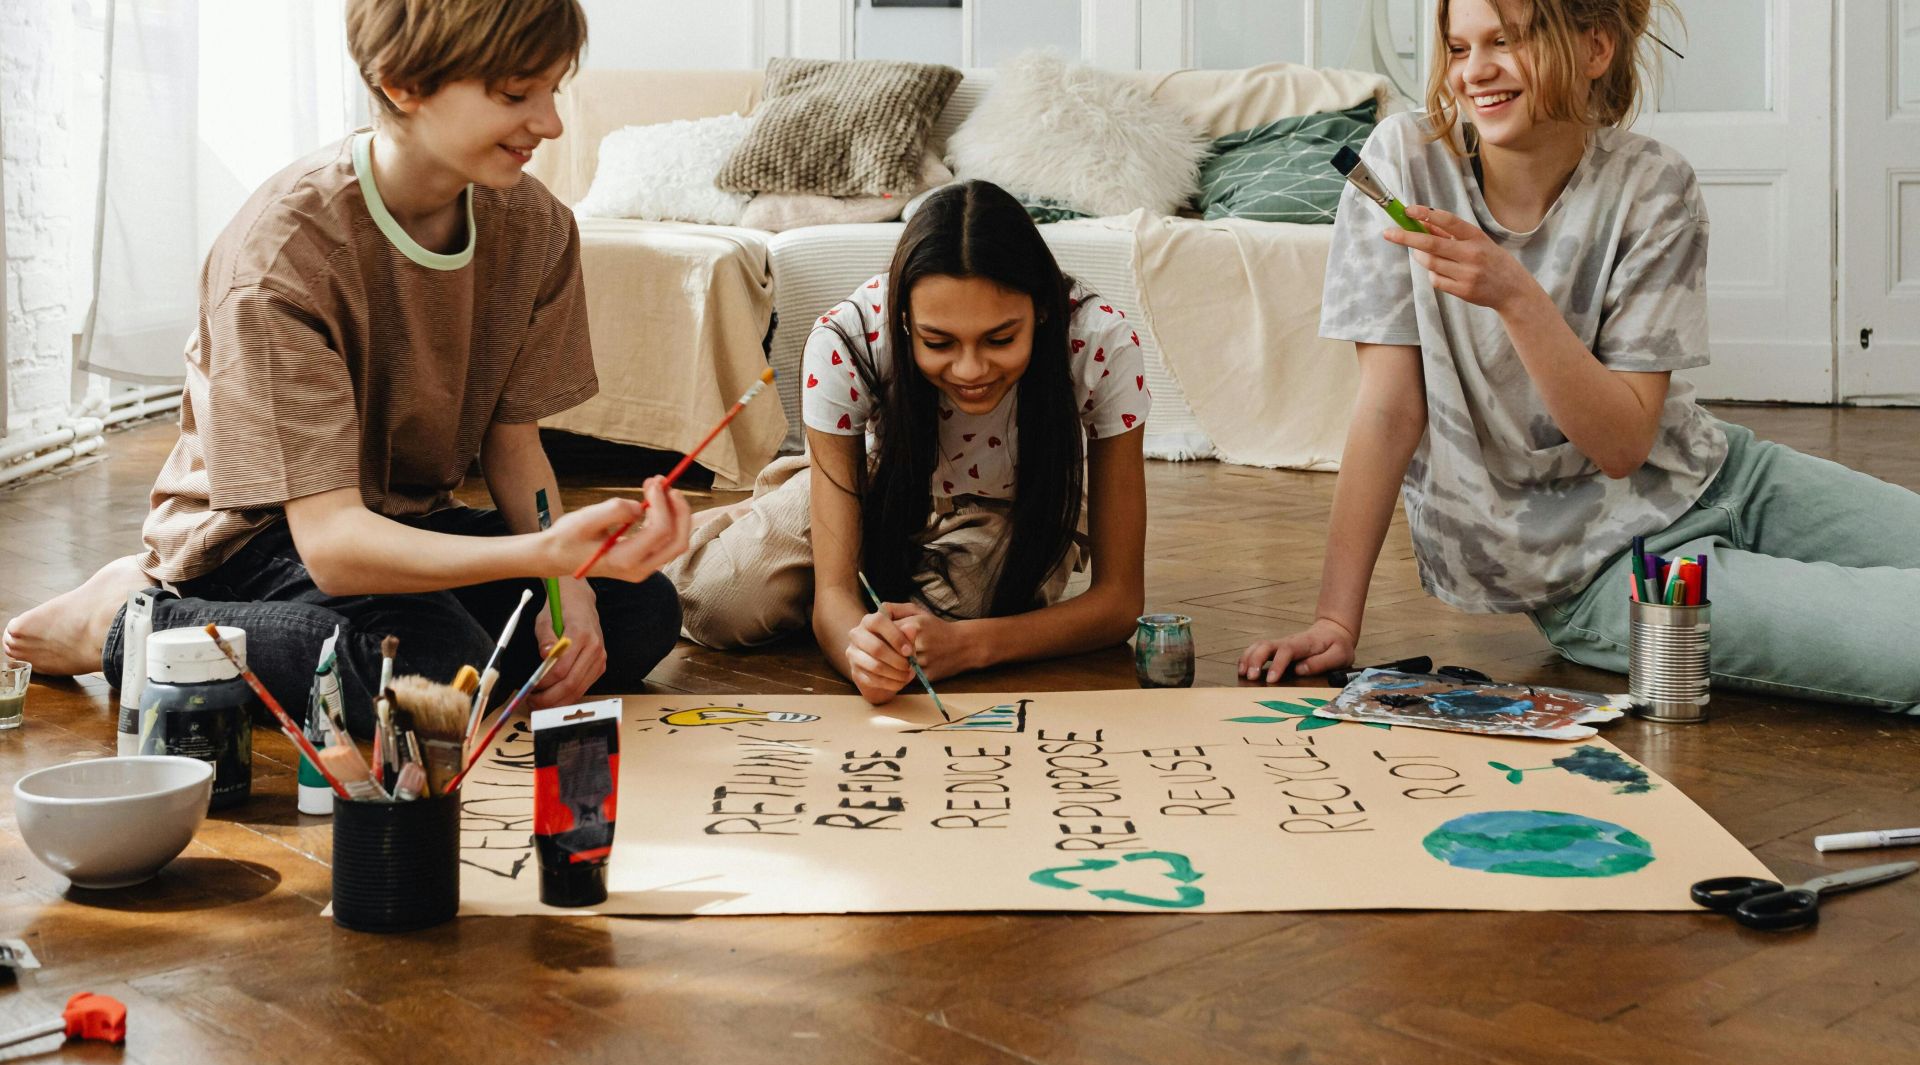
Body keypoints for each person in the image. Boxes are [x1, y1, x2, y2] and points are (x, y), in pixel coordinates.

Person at [2, 0, 691, 736]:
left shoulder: (535, 227)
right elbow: (330, 548)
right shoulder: (280, 261)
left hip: (402, 523)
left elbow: (513, 443)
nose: (550, 123)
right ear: (401, 84)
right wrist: (547, 552)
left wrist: (567, 591)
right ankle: (131, 620)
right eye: (516, 94)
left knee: (639, 611)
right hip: (259, 544)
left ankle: (466, 645)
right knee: (427, 668)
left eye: (555, 90)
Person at [1240, 0, 1920, 714]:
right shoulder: (1401, 167)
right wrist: (1335, 620)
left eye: (1505, 41)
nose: (1477, 72)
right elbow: (1388, 409)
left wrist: (1516, 294)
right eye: (1459, 47)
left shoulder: (1655, 183)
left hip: (1727, 477)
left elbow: (1630, 435)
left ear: (1595, 48)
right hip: (1604, 572)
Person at [665, 180, 1149, 705]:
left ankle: (797, 563)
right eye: (938, 342)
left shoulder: (1102, 343)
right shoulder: (847, 339)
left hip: (1015, 508)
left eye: (1001, 339)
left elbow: (1120, 601)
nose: (970, 370)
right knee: (718, 604)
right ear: (902, 321)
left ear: (1044, 311)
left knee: (937, 619)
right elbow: (834, 597)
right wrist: (856, 647)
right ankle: (756, 534)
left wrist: (967, 646)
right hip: (877, 485)